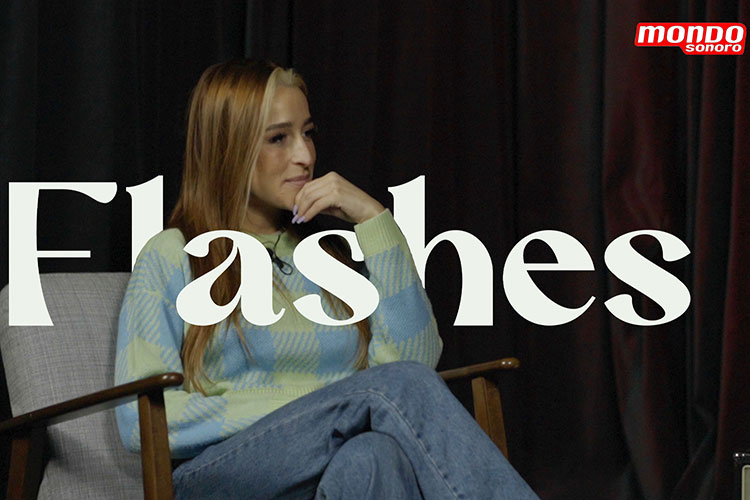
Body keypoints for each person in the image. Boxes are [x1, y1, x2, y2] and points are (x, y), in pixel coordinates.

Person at [114, 58, 539, 500]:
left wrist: (375, 220)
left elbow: (414, 361)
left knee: (373, 456)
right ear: (228, 147)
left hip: (329, 460)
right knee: (388, 393)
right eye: (279, 138)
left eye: (308, 133)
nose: (305, 156)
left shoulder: (325, 255)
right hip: (221, 474)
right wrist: (324, 406)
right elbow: (140, 422)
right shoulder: (173, 254)